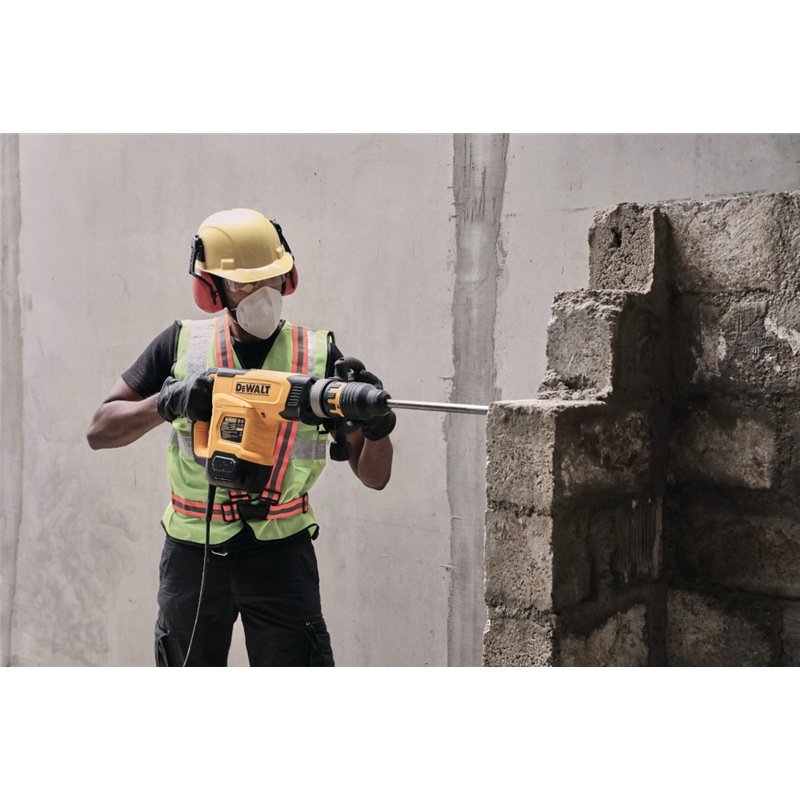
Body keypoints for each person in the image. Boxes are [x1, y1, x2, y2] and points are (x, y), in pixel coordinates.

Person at [87, 208, 395, 667]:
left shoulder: (318, 356)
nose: (261, 294)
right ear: (212, 288)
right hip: (192, 556)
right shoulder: (181, 345)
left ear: (288, 277)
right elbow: (99, 430)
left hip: (281, 555)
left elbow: (374, 477)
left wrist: (377, 430)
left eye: (270, 279)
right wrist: (165, 402)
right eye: (243, 284)